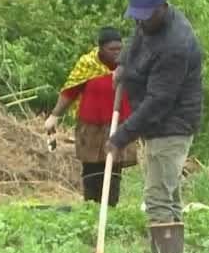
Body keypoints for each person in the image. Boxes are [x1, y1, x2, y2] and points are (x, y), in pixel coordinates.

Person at [106, 0, 203, 253]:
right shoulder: (148, 24)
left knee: (158, 196)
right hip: (160, 123)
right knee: (168, 195)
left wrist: (121, 136)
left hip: (172, 125)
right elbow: (138, 41)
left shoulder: (176, 45)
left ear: (162, 8)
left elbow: (158, 101)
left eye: (145, 17)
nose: (139, 22)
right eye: (136, 16)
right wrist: (123, 65)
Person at [44, 27, 138, 207]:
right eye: (112, 49)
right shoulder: (87, 64)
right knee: (92, 168)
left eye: (120, 49)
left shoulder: (128, 65)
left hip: (119, 125)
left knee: (114, 170)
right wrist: (55, 116)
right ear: (101, 48)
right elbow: (70, 91)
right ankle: (90, 206)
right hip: (90, 125)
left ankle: (110, 207)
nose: (116, 53)